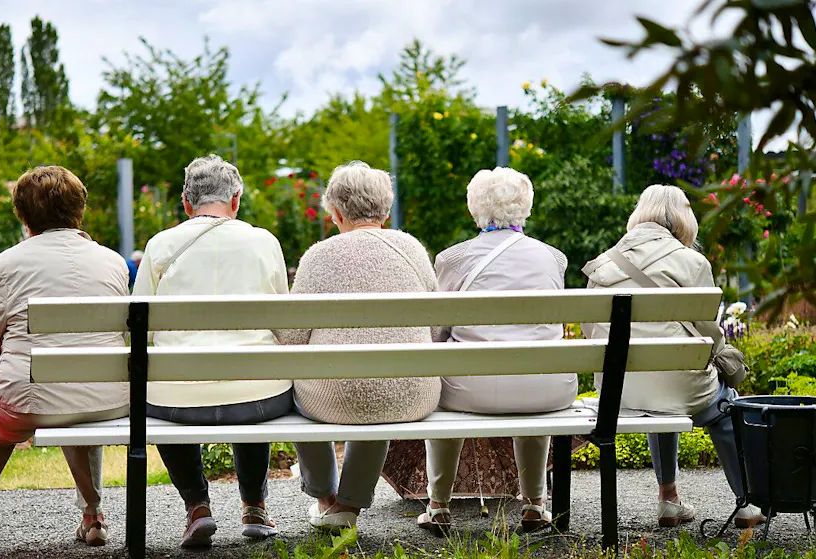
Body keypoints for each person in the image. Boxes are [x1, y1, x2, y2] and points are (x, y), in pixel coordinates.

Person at [0, 166, 130, 558]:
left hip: (27, 399)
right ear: (79, 209)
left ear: (24, 216)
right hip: (106, 398)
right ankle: (94, 516)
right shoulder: (113, 262)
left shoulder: (6, 264)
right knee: (77, 402)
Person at [582, 184, 766, 529]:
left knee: (658, 398)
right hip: (681, 389)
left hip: (620, 392)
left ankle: (669, 498)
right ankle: (746, 503)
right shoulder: (692, 261)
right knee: (724, 406)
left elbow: (591, 332)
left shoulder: (602, 264)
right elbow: (711, 336)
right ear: (684, 220)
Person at [133, 154, 292, 548]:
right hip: (257, 400)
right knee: (252, 376)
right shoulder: (264, 241)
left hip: (177, 401)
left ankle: (197, 508)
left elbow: (139, 325)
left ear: (187, 204)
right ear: (236, 200)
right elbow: (284, 319)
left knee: (168, 383)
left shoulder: (160, 245)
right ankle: (254, 507)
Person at [274, 161, 441, 532]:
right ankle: (347, 504)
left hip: (334, 396)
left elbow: (291, 340)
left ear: (334, 210)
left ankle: (326, 498)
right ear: (386, 207)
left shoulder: (319, 255)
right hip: (412, 391)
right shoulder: (412, 248)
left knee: (304, 386)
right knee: (381, 379)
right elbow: (436, 324)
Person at [420, 167, 578, 535]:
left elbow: (437, 332)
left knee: (446, 373)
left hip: (468, 392)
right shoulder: (553, 258)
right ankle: (535, 504)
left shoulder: (452, 259)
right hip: (546, 390)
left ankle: (439, 505)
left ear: (475, 207)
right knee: (534, 364)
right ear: (526, 206)